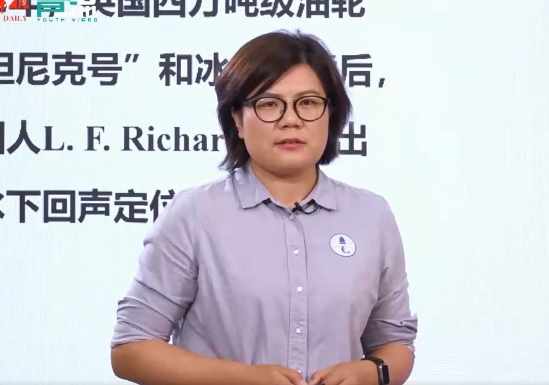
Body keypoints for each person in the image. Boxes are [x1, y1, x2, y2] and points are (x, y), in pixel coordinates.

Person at [110, 30, 418, 385]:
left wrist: (370, 373)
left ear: (330, 115)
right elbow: (132, 348)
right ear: (237, 120)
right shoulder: (195, 215)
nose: (291, 120)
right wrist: (242, 378)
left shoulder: (371, 216)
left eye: (308, 103)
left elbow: (396, 343)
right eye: (269, 104)